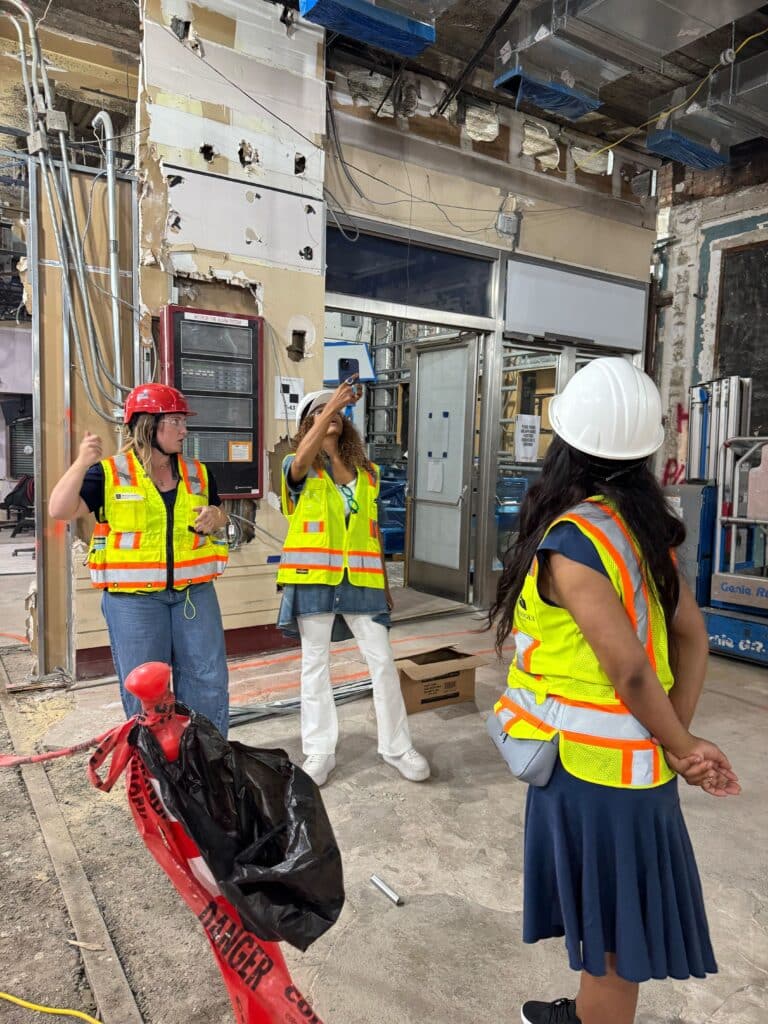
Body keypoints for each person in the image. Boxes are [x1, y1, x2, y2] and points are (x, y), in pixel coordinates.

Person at [487, 358, 740, 1024]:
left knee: (608, 948)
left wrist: (681, 745)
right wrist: (674, 745)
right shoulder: (638, 528)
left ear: (565, 443)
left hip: (591, 777)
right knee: (612, 930)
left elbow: (628, 670)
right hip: (633, 775)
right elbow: (693, 637)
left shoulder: (573, 541)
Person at [49, 383, 231, 735]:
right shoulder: (108, 473)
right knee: (147, 689)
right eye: (175, 421)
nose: (184, 430)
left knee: (207, 680)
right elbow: (60, 508)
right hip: (133, 601)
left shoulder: (198, 473)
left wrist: (215, 516)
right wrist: (82, 462)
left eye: (183, 421)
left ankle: (209, 760)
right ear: (148, 425)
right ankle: (155, 770)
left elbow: (220, 514)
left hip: (194, 595)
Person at [276, 378, 430, 787]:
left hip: (362, 580)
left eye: (339, 411)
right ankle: (319, 751)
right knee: (315, 665)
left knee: (382, 662)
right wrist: (331, 405)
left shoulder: (369, 473)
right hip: (313, 578)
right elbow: (299, 466)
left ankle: (397, 746)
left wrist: (384, 585)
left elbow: (371, 533)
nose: (334, 415)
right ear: (308, 421)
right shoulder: (297, 466)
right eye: (321, 411)